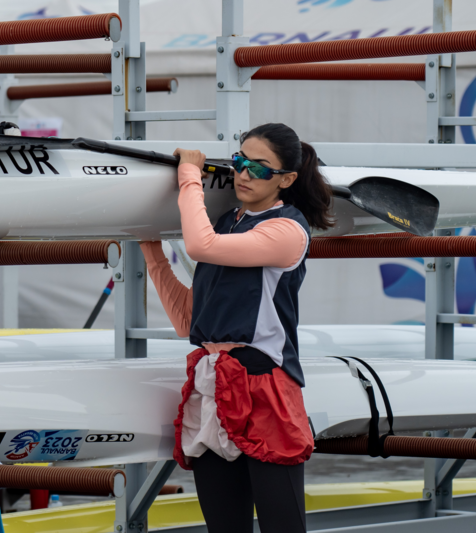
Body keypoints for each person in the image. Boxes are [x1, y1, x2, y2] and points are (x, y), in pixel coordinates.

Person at [140, 123, 334, 533]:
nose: (244, 174)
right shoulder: (225, 222)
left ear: (286, 179)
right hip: (212, 383)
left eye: (259, 168)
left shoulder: (286, 230)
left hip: (265, 387)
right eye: (239, 162)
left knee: (283, 526)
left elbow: (199, 246)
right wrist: (150, 249)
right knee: (224, 527)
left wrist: (190, 175)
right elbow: (188, 320)